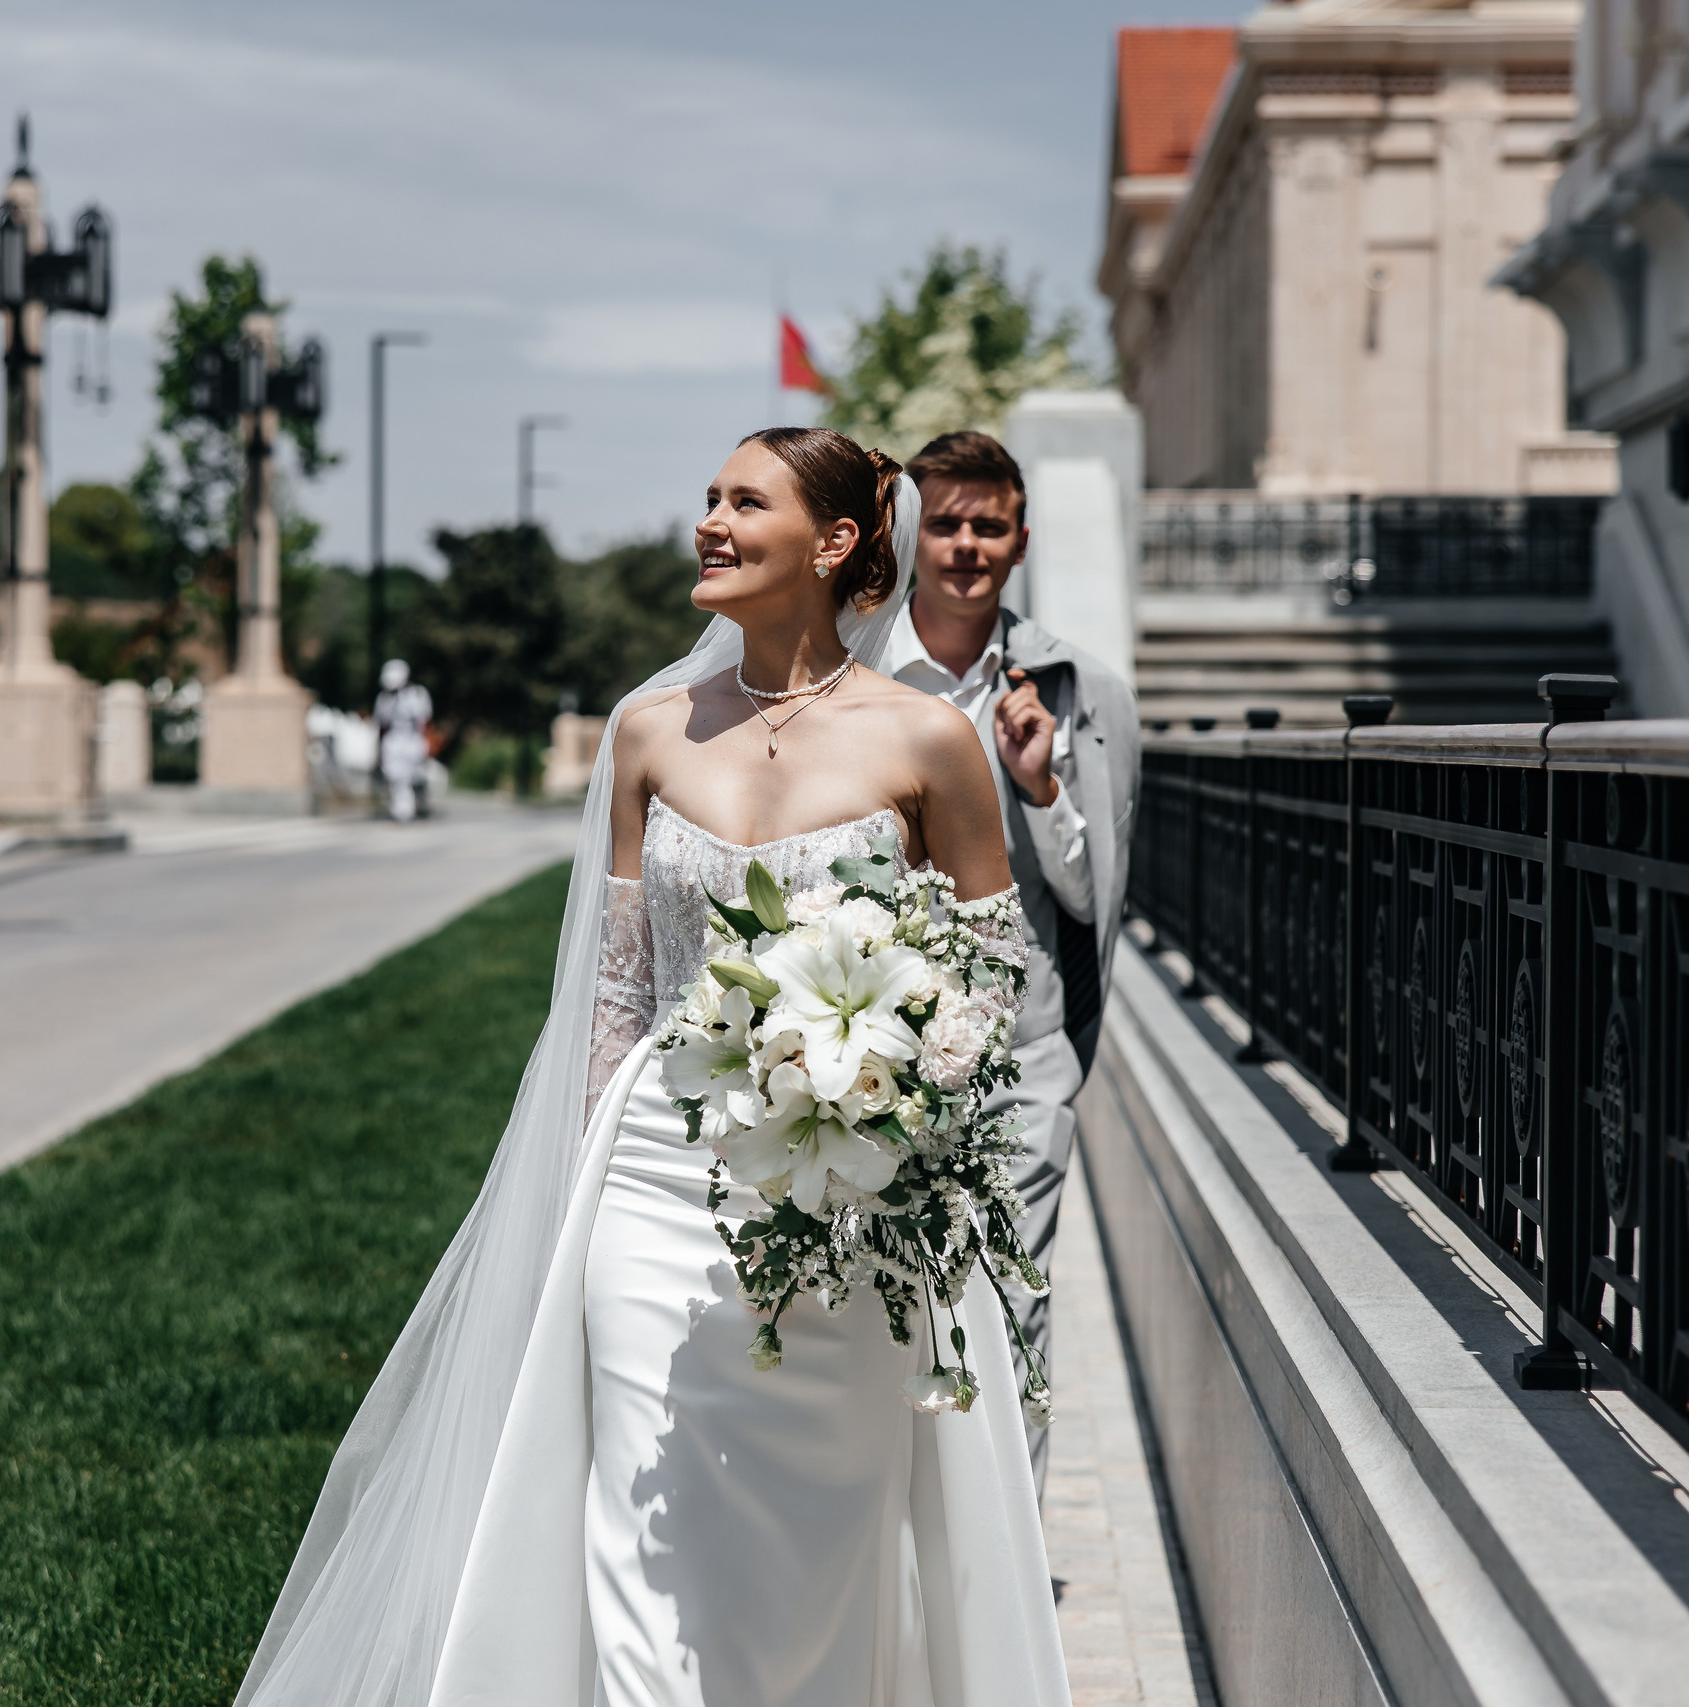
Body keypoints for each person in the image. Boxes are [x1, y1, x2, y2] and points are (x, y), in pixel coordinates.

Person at [235, 428, 1071, 1707]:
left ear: (835, 542)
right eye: (709, 499)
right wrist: (572, 1203)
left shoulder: (927, 744)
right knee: (639, 1541)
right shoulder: (646, 732)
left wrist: (889, 1089)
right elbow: (621, 992)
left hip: (845, 1206)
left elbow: (989, 971)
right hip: (651, 1189)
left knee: (817, 1561)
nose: (711, 523)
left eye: (747, 501)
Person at [887, 431, 1140, 1494]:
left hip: (1021, 1051)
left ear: (1020, 540)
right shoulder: (849, 678)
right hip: (871, 1057)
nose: (964, 545)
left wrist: (1042, 790)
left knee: (1007, 1304)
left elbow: (1098, 903)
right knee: (881, 1316)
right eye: (943, 521)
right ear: (912, 532)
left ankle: (1006, 1596)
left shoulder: (1084, 694)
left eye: (987, 526)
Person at [374, 658, 434, 821]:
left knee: (416, 775)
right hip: (394, 741)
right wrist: (378, 751)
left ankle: (419, 802)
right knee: (396, 776)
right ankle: (402, 810)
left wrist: (427, 745)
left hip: (413, 740)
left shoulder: (418, 695)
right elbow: (382, 726)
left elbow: (426, 722)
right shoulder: (383, 698)